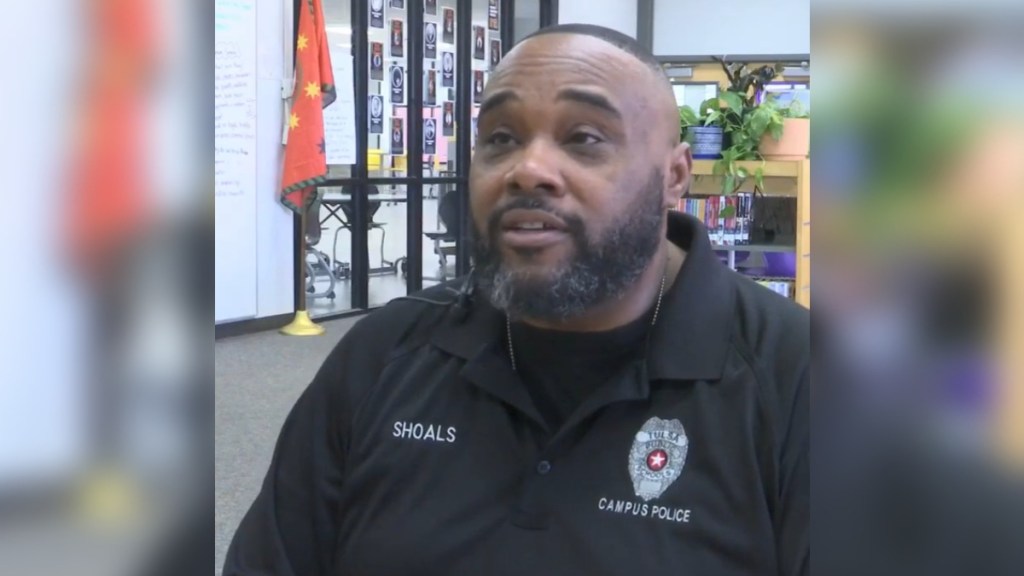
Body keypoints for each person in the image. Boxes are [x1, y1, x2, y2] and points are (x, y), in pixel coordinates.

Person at [223, 24, 808, 575]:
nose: (528, 170)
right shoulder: (386, 352)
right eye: (500, 139)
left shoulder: (801, 380)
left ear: (674, 176)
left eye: (584, 138)